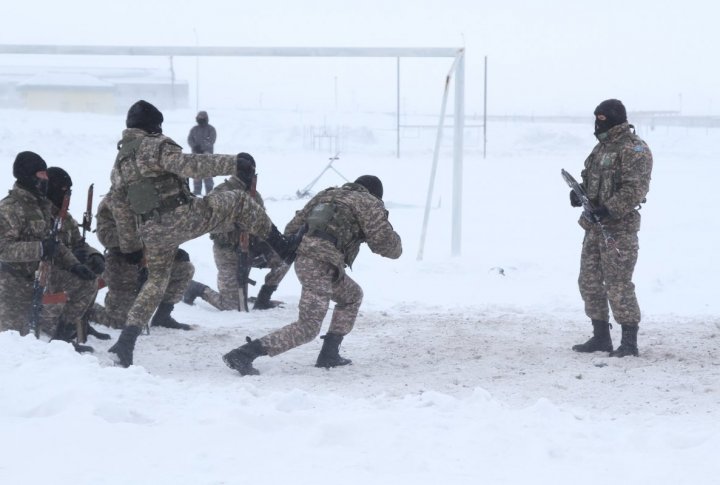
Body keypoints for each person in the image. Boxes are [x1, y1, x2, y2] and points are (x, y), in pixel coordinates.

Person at [107, 100, 297, 368]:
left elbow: (119, 204)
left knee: (156, 281)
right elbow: (189, 165)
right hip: (180, 218)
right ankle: (283, 246)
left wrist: (131, 247)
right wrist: (234, 164)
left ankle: (125, 343)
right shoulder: (155, 144)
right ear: (154, 126)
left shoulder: (121, 161)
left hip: (151, 230)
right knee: (238, 200)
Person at [222, 175, 402, 376]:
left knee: (352, 296)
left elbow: (291, 227)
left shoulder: (328, 194)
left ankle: (329, 354)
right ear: (375, 194)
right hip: (321, 264)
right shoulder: (369, 203)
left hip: (312, 262)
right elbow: (388, 247)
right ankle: (245, 354)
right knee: (308, 327)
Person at [569, 99, 653, 358]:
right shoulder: (600, 148)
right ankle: (601, 337)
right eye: (596, 117)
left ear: (616, 118)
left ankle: (629, 341)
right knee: (589, 282)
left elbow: (635, 188)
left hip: (619, 230)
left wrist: (610, 208)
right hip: (593, 228)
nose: (597, 123)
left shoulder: (635, 149)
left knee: (618, 284)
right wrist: (578, 194)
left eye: (602, 118)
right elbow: (589, 177)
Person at [0, 152, 96, 352]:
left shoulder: (40, 205)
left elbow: (53, 243)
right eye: (41, 174)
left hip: (42, 276)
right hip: (12, 283)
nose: (45, 179)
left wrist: (74, 264)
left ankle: (61, 343)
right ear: (27, 176)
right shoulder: (9, 208)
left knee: (87, 283)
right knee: (12, 344)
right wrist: (40, 249)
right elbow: (3, 249)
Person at [183, 157, 290, 310]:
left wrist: (264, 244)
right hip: (228, 252)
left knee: (285, 259)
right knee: (233, 307)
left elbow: (262, 222)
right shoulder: (221, 192)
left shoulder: (254, 194)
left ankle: (263, 298)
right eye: (247, 170)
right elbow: (209, 225)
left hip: (253, 249)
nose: (250, 174)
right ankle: (196, 289)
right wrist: (236, 225)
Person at [92, 192, 194, 330]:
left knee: (184, 269)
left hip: (152, 259)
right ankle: (89, 308)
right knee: (120, 322)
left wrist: (172, 250)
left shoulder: (152, 198)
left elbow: (164, 229)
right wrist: (133, 244)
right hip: (124, 263)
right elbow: (105, 236)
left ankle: (163, 316)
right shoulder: (111, 202)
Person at [43, 167, 109, 347]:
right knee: (85, 282)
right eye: (64, 190)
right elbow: (48, 250)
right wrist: (73, 261)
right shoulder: (41, 216)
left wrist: (93, 255)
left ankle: (82, 321)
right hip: (47, 272)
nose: (67, 195)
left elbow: (79, 242)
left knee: (95, 271)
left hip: (69, 267)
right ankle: (62, 335)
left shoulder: (65, 217)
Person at [187, 110, 217, 195]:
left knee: (207, 173)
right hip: (196, 155)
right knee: (197, 174)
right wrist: (194, 146)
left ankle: (209, 192)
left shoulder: (211, 129)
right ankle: (197, 192)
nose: (201, 120)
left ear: (206, 119)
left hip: (207, 155)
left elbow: (211, 140)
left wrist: (203, 149)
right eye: (199, 118)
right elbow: (190, 139)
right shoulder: (194, 129)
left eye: (202, 118)